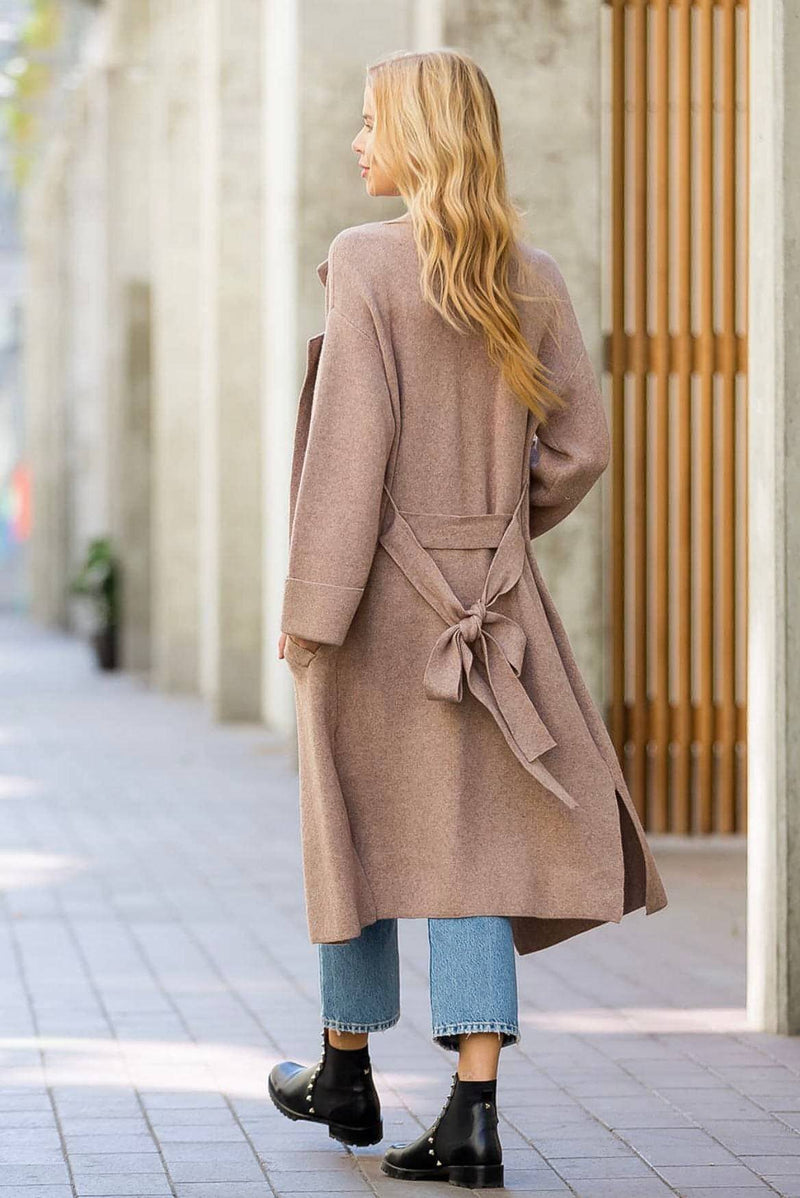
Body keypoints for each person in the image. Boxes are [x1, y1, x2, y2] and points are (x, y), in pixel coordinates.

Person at [270, 47, 668, 1190]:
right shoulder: (529, 275)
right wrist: (493, 536)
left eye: (370, 121)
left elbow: (348, 455)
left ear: (419, 134)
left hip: (378, 607)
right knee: (469, 853)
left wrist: (311, 613)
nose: (356, 140)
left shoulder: (365, 260)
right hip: (497, 611)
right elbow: (580, 449)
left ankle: (345, 1068)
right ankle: (472, 1112)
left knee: (354, 827)